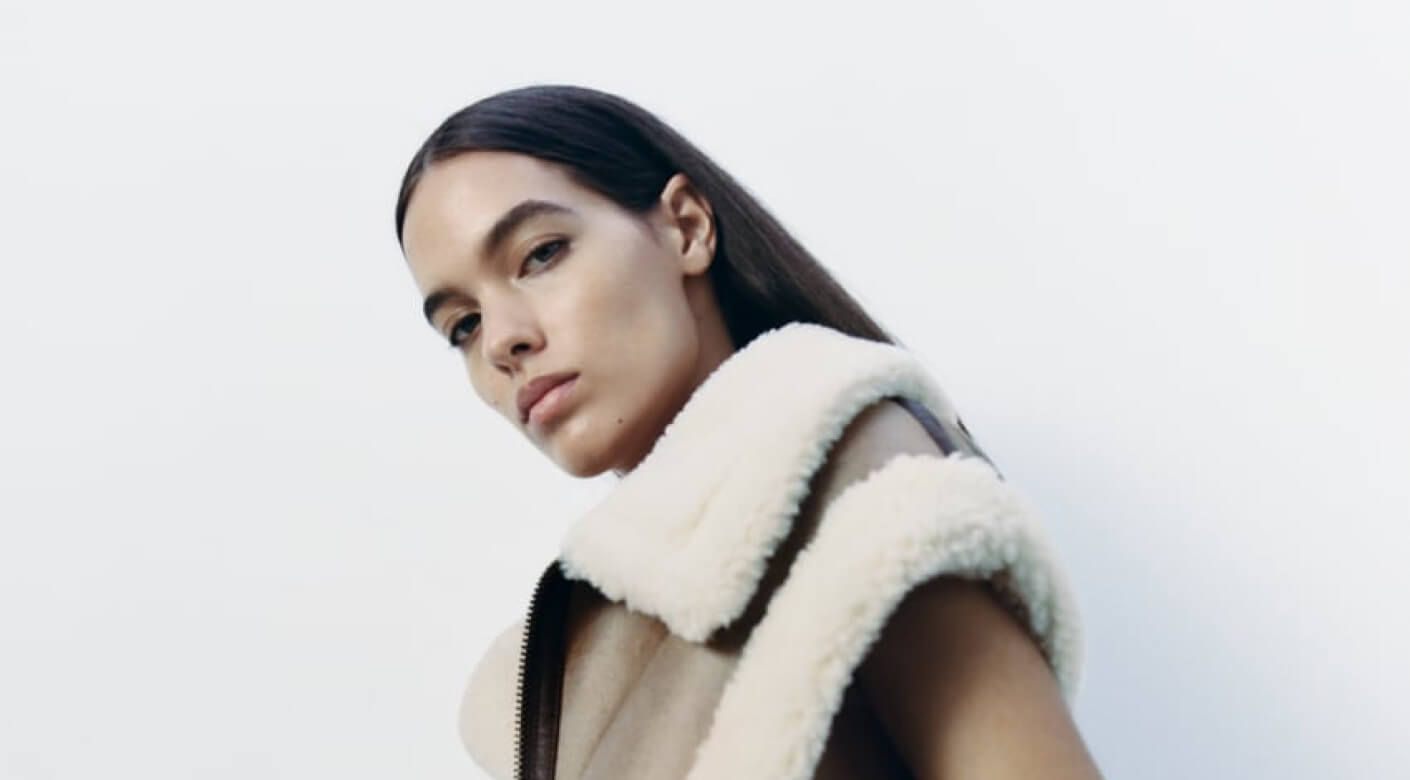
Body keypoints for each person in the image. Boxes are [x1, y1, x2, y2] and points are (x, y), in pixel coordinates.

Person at [394, 84, 1103, 780]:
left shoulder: (873, 496)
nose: (501, 342)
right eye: (463, 324)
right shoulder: (568, 665)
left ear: (686, 227)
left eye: (541, 254)